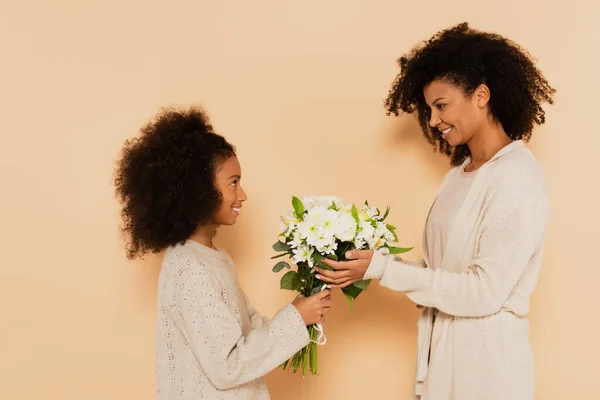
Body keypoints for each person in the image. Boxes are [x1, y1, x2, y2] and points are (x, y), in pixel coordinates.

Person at [314, 22, 555, 400]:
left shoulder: (517, 177)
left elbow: (483, 293)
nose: (432, 121)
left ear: (481, 95)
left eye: (441, 106)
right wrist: (370, 263)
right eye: (429, 109)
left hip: (488, 372)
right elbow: (439, 275)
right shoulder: (458, 176)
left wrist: (381, 268)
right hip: (443, 363)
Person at [114, 106, 332, 399]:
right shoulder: (190, 269)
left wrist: (301, 311)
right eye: (233, 182)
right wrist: (294, 318)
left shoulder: (212, 258)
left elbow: (250, 328)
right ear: (197, 189)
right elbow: (227, 366)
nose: (242, 194)